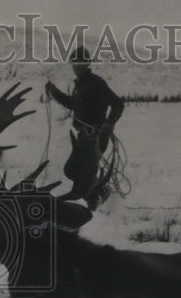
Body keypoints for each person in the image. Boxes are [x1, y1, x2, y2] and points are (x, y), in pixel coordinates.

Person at [45, 46, 124, 209]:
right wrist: (54, 91)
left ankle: (95, 202)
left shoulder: (97, 83)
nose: (76, 66)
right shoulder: (81, 85)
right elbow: (73, 104)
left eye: (80, 63)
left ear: (87, 63)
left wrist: (109, 123)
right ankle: (98, 194)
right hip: (83, 135)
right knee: (74, 170)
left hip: (95, 136)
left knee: (82, 172)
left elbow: (118, 104)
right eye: (74, 63)